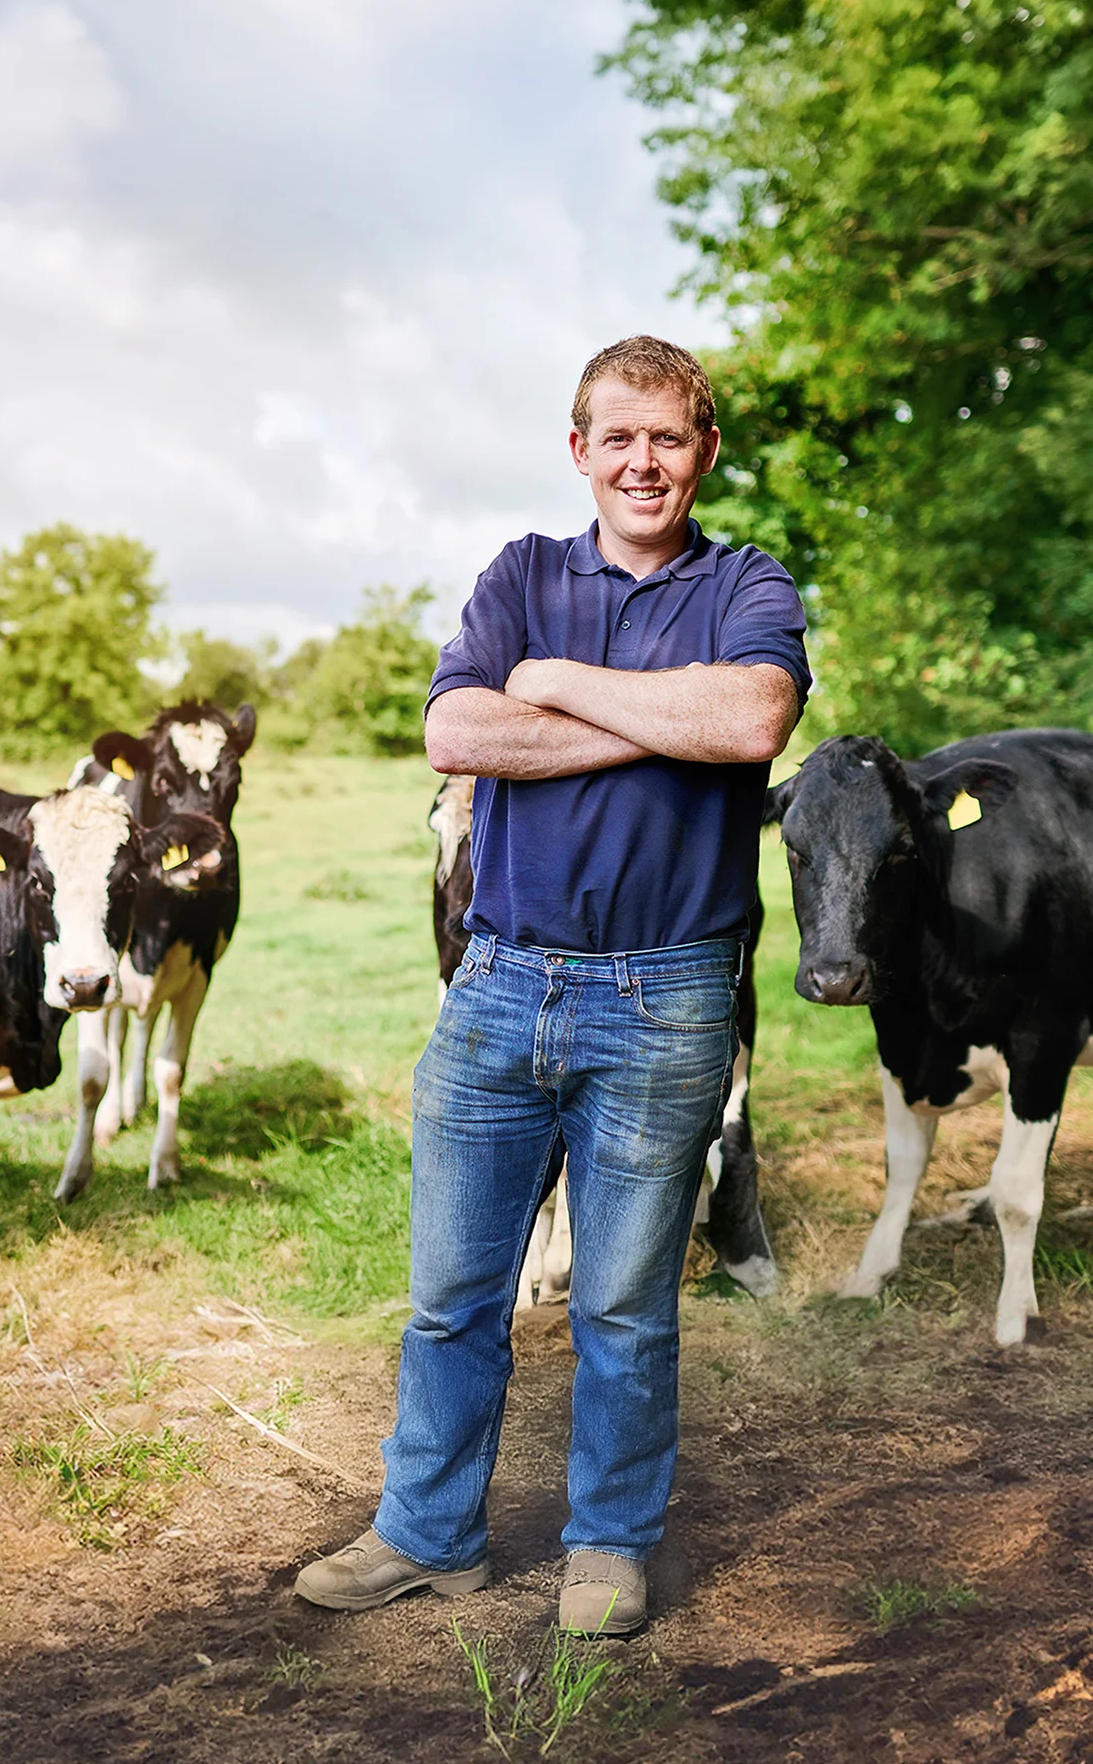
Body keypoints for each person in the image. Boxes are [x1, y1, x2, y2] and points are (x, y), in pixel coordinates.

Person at [295, 335, 809, 1635]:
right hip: (499, 982)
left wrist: (559, 688)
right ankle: (427, 1531)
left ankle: (608, 1544)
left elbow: (749, 722)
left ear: (702, 452)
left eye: (670, 438)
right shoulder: (520, 572)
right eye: (618, 437)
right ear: (579, 450)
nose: (645, 461)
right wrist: (653, 720)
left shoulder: (744, 581)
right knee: (452, 1292)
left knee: (622, 1302)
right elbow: (456, 731)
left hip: (670, 993)